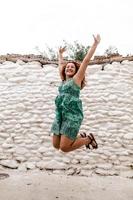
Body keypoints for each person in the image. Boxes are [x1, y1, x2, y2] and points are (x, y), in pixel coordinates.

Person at [50, 34, 101, 152]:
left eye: (72, 67)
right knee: (56, 145)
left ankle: (88, 139)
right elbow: (61, 65)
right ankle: (81, 137)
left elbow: (86, 61)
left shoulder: (76, 80)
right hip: (60, 115)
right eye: (67, 67)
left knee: (64, 147)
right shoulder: (63, 81)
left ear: (76, 70)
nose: (69, 68)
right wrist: (60, 54)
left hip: (72, 116)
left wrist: (95, 44)